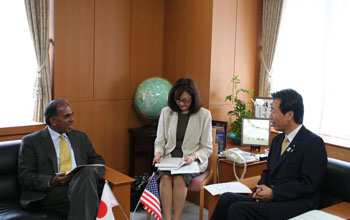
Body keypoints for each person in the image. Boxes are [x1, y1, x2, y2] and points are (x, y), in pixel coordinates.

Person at [211, 89, 328, 220]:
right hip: (273, 200)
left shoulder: (313, 143)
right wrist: (260, 189)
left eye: (273, 111)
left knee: (238, 210)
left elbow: (308, 184)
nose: (270, 116)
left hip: (296, 204)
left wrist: (274, 193)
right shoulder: (278, 140)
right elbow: (268, 171)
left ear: (289, 115)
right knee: (226, 198)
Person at [18, 98, 105, 220]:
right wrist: (52, 181)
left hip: (82, 183)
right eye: (66, 116)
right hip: (52, 191)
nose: (72, 120)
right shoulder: (31, 142)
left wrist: (94, 173)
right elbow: (25, 177)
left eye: (72, 115)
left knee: (86, 174)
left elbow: (98, 160)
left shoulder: (80, 137)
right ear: (53, 121)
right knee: (86, 195)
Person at [153, 78, 213, 220]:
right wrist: (158, 153)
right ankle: (167, 218)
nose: (181, 104)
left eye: (186, 100)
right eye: (178, 100)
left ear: (194, 98)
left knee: (180, 179)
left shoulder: (204, 115)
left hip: (191, 161)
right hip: (169, 159)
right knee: (165, 178)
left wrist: (193, 157)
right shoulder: (166, 112)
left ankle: (177, 218)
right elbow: (160, 140)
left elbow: (207, 148)